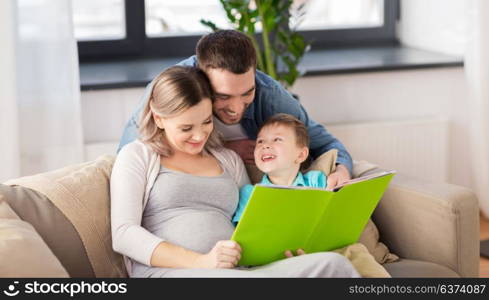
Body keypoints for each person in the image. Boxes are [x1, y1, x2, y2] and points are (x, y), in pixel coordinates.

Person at [110, 65, 360, 277]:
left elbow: (254, 222)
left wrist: (286, 251)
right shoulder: (138, 155)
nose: (199, 136)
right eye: (186, 128)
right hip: (176, 273)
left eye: (206, 122)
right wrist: (202, 262)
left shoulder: (227, 159)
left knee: (334, 265)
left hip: (239, 271)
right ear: (159, 118)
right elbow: (123, 234)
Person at [118, 30, 353, 190]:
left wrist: (343, 170)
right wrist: (222, 148)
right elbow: (129, 152)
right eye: (223, 96)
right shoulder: (170, 90)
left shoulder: (269, 95)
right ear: (200, 76)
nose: (236, 109)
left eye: (247, 93)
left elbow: (327, 144)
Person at [233, 114, 328, 233]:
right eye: (260, 141)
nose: (265, 145)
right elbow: (243, 233)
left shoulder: (315, 180)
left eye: (277, 139)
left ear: (300, 155)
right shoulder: (250, 193)